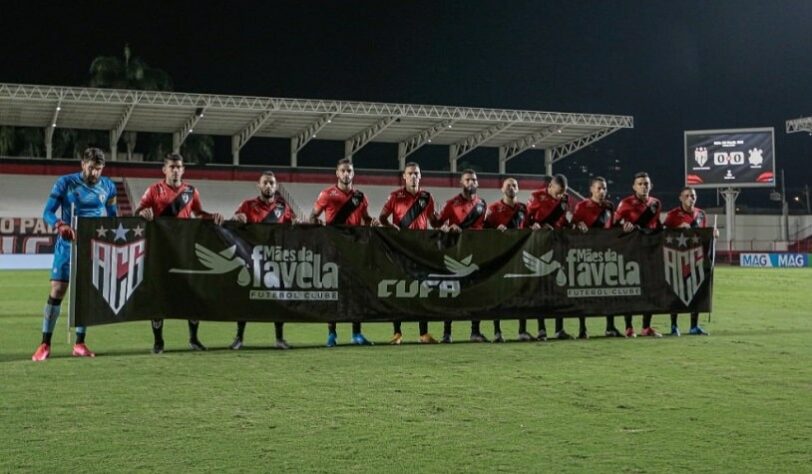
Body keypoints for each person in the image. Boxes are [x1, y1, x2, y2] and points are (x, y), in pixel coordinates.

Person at [32, 148, 118, 361]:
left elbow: (114, 219)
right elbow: (47, 212)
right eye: (91, 168)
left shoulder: (109, 186)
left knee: (85, 293)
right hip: (67, 245)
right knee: (58, 289)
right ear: (83, 165)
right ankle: (45, 344)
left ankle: (80, 343)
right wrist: (60, 224)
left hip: (92, 246)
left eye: (98, 169)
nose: (95, 173)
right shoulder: (65, 183)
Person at [134, 153, 224, 353]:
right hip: (160, 251)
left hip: (183, 250)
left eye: (179, 167)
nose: (176, 170)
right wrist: (143, 213)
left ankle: (193, 339)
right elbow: (137, 211)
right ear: (164, 170)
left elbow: (199, 214)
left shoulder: (191, 191)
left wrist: (213, 216)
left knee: (192, 296)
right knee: (158, 298)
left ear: (183, 170)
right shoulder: (153, 190)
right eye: (172, 167)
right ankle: (158, 342)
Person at [310, 158, 378, 347]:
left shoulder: (360, 197)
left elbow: (365, 219)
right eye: (343, 170)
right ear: (337, 173)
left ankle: (356, 334)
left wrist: (371, 221)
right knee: (333, 292)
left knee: (356, 292)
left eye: (349, 170)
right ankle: (332, 334)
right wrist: (318, 223)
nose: (346, 174)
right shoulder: (327, 193)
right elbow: (313, 216)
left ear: (353, 173)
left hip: (355, 249)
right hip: (333, 249)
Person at [229, 171, 297, 350]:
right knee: (246, 298)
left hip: (274, 261)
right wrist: (237, 218)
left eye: (272, 183)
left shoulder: (283, 208)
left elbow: (294, 228)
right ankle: (239, 337)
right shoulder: (247, 205)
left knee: (277, 299)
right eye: (265, 183)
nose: (268, 186)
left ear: (276, 186)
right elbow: (234, 221)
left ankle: (280, 339)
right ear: (259, 185)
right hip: (252, 260)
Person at [379, 162, 441, 344]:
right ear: (404, 177)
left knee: (422, 290)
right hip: (401, 249)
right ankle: (397, 333)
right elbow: (383, 218)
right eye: (410, 174)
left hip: (420, 249)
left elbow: (433, 222)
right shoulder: (394, 196)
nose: (414, 176)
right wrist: (392, 229)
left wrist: (441, 222)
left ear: (420, 176)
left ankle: (423, 334)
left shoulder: (427, 197)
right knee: (399, 290)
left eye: (416, 174)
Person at [436, 169, 490, 343]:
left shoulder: (482, 204)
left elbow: (482, 228)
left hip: (475, 253)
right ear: (461, 183)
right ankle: (447, 333)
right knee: (451, 294)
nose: (471, 183)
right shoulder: (451, 203)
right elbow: (439, 224)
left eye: (474, 180)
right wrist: (444, 228)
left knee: (476, 294)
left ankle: (475, 331)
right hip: (455, 253)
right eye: (467, 180)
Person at [571, 176, 625, 338]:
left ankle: (610, 327)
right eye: (599, 188)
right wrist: (578, 225)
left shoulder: (609, 206)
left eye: (604, 188)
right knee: (584, 292)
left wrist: (623, 225)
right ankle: (582, 329)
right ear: (591, 189)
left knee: (610, 292)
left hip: (606, 254)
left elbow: (613, 226)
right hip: (587, 254)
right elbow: (572, 226)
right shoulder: (581, 206)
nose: (602, 191)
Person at [483, 177, 534, 342]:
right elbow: (484, 231)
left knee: (521, 294)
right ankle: (497, 332)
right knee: (498, 295)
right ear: (502, 189)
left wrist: (534, 228)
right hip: (499, 258)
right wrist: (495, 230)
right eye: (508, 185)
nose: (511, 188)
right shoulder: (494, 209)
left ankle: (522, 331)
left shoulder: (524, 209)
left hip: (518, 257)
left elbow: (529, 227)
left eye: (514, 185)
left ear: (518, 189)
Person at [614, 171, 662, 338]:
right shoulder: (625, 203)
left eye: (646, 184)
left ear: (651, 186)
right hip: (630, 252)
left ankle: (646, 327)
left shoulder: (656, 203)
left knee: (650, 289)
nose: (643, 186)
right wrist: (622, 224)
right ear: (634, 186)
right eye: (640, 184)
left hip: (649, 251)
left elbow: (657, 225)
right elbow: (613, 223)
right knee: (630, 289)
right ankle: (628, 327)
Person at [663, 186, 714, 336]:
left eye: (693, 195)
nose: (690, 198)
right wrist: (679, 228)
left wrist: (712, 233)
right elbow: (662, 233)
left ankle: (694, 326)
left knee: (697, 291)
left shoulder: (701, 214)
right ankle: (674, 326)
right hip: (678, 257)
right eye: (687, 195)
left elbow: (702, 234)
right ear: (680, 198)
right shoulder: (673, 215)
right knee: (676, 293)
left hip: (696, 258)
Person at [526, 174, 572, 341]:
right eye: (558, 192)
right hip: (540, 246)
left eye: (563, 193)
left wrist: (572, 225)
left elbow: (563, 220)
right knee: (541, 290)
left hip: (558, 245)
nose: (561, 196)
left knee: (559, 289)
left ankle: (560, 329)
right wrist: (534, 225)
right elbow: (526, 220)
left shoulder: (565, 199)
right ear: (550, 187)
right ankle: (541, 329)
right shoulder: (536, 197)